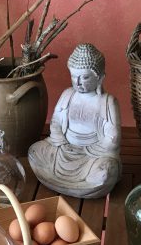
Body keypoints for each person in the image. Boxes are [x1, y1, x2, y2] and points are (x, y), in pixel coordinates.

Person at [28, 44, 121, 198]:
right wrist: (62, 142)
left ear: (100, 78)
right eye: (73, 76)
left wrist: (86, 150)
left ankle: (73, 181)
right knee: (35, 150)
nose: (77, 82)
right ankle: (76, 185)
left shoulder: (108, 102)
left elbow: (113, 139)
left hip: (92, 155)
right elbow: (56, 123)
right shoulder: (67, 94)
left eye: (84, 77)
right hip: (63, 150)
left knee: (106, 171)